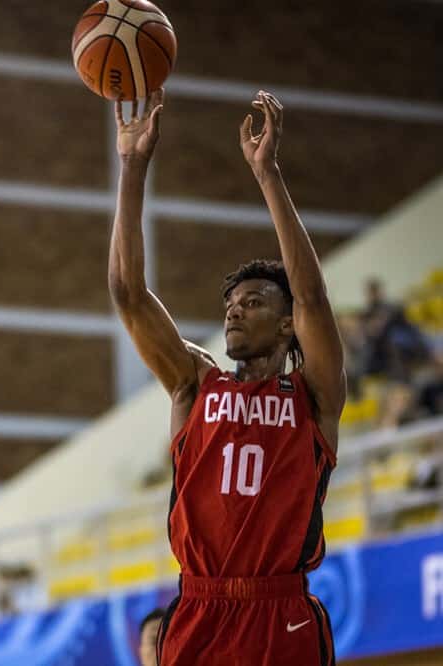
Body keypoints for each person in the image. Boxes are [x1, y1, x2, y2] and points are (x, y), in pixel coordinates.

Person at [108, 89, 345, 665]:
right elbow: (129, 294)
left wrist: (268, 176)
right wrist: (133, 169)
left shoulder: (312, 396)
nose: (235, 310)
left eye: (255, 301)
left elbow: (312, 295)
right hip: (198, 608)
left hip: (280, 610)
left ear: (288, 325)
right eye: (231, 303)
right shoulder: (195, 383)